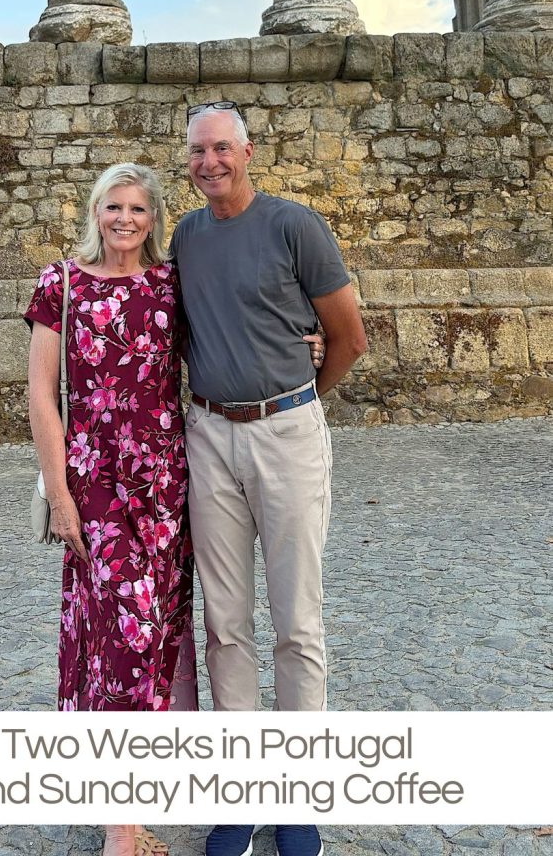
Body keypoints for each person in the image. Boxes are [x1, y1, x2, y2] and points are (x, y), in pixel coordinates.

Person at [170, 101, 368, 856]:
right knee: (223, 620)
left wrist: (299, 403)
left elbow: (347, 335)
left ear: (247, 150)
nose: (209, 162)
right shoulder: (186, 236)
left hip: (286, 429)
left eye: (221, 147)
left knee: (296, 619)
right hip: (208, 433)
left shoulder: (295, 226)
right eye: (196, 151)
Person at [25, 163, 196, 856]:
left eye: (138, 209)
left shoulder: (169, 284)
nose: (125, 219)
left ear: (153, 219)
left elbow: (234, 331)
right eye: (113, 206)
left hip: (162, 485)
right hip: (93, 484)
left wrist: (301, 344)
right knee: (119, 638)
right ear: (94, 212)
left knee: (152, 638)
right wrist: (59, 493)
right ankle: (121, 831)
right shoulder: (60, 284)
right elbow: (40, 395)